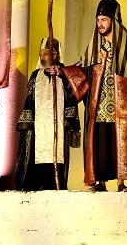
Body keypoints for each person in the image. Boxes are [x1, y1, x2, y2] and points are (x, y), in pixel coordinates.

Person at [78, 0, 127, 192]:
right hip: (99, 104)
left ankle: (121, 182)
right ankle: (101, 183)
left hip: (122, 103)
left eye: (104, 20)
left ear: (114, 20)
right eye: (98, 20)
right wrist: (62, 72)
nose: (100, 24)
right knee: (100, 143)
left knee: (122, 141)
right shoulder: (95, 43)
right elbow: (82, 68)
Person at [15, 37, 88, 190]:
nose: (42, 57)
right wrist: (28, 121)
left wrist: (69, 118)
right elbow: (29, 99)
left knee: (56, 156)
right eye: (40, 54)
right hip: (39, 126)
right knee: (36, 155)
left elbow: (72, 96)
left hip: (58, 125)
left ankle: (55, 185)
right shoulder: (35, 75)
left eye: (45, 54)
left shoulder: (65, 74)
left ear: (54, 55)